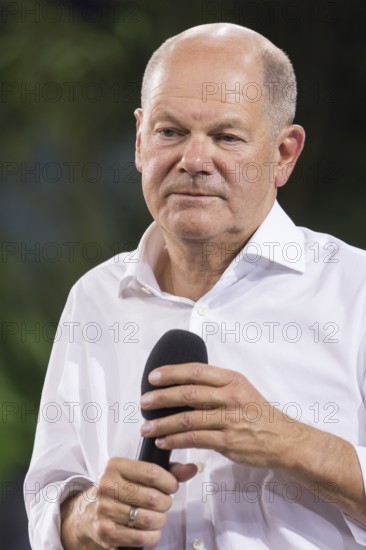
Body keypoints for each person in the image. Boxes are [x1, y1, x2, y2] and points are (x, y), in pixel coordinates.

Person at [24, 22, 366, 549]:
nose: (194, 160)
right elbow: (49, 497)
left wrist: (294, 443)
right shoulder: (94, 298)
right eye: (170, 132)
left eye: (226, 136)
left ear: (284, 154)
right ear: (140, 140)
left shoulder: (355, 291)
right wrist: (88, 517)